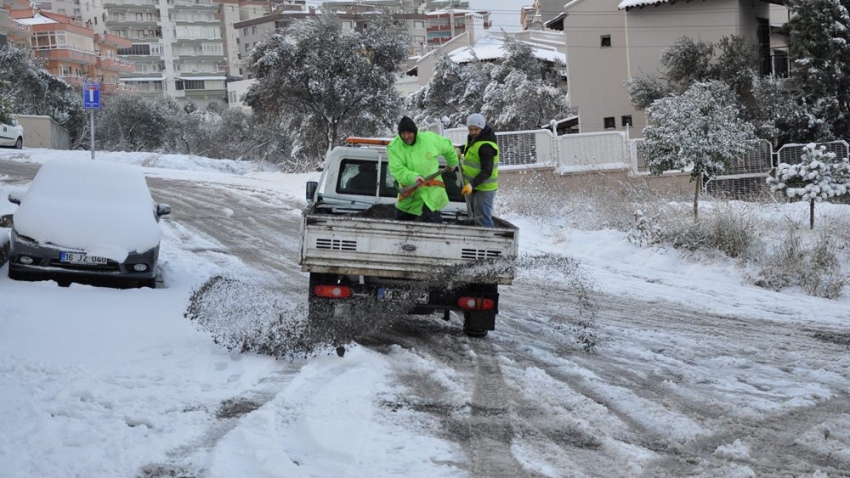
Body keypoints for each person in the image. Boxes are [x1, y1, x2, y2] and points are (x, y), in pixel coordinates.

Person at [387, 116, 460, 223]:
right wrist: (414, 177)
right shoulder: (394, 147)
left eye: (409, 133)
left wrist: (452, 163)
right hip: (409, 194)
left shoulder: (429, 139)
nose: (406, 136)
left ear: (415, 131)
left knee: (433, 227)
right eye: (403, 133)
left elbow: (448, 148)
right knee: (402, 227)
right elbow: (397, 170)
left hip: (431, 193)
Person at [460, 113, 499, 227]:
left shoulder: (486, 146)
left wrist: (471, 185)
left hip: (484, 188)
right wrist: (460, 150)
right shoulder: (474, 138)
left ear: (482, 127)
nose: (473, 132)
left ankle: (488, 242)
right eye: (470, 129)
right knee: (475, 217)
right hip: (474, 187)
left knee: (482, 219)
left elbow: (487, 171)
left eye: (476, 129)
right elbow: (471, 147)